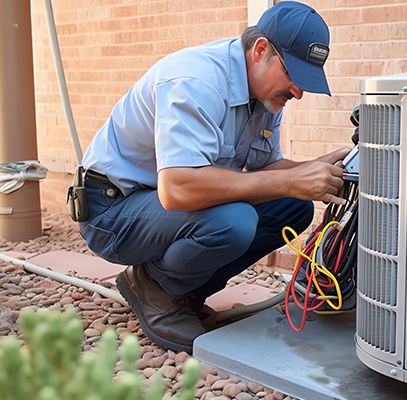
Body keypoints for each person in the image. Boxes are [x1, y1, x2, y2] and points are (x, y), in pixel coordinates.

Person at [77, 0, 350, 353]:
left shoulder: (266, 98)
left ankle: (186, 291)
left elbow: (263, 171)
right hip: (112, 209)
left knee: (293, 207)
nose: (297, 91)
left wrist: (315, 168)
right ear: (261, 50)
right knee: (233, 221)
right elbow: (178, 189)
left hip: (163, 207)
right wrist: (289, 181)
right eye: (293, 76)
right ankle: (154, 287)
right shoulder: (196, 81)